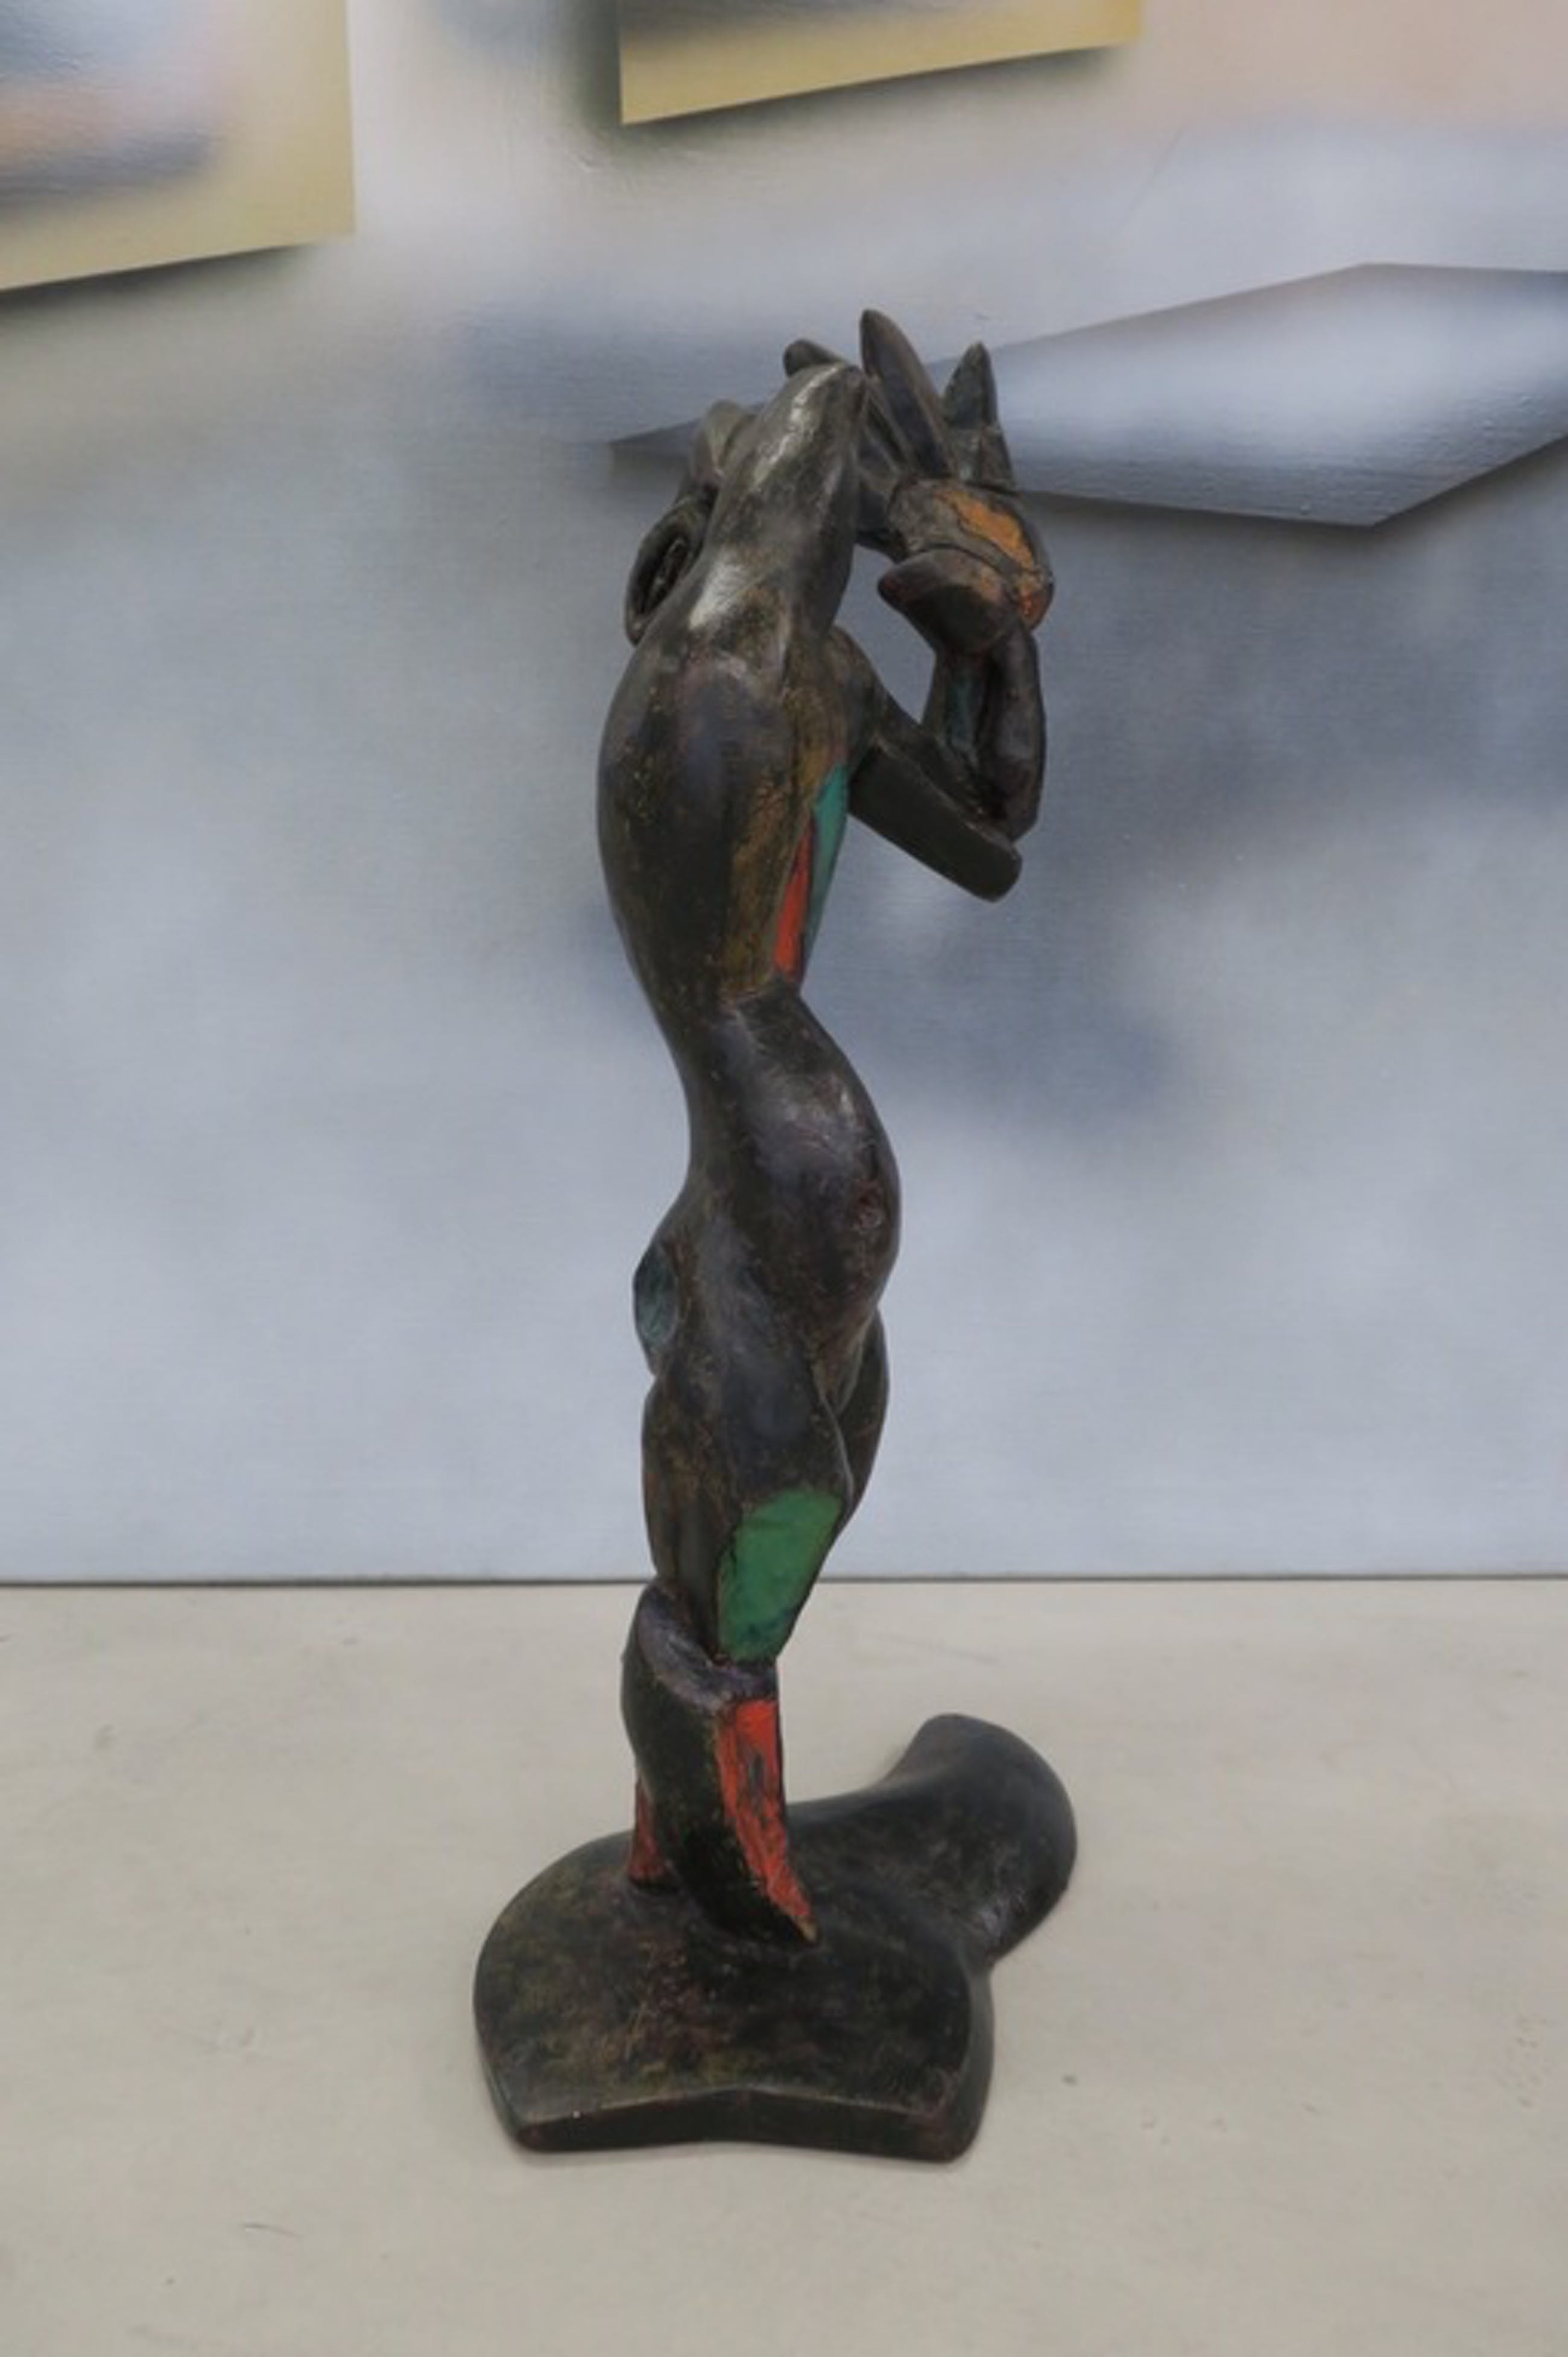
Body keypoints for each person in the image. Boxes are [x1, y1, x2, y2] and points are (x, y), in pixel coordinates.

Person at [598, 312, 1051, 1940]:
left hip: (776, 1170)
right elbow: (791, 464)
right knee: (775, 1475)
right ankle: (731, 1863)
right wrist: (950, 538)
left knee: (803, 1459)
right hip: (773, 1167)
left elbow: (989, 830)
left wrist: (991, 648)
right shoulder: (719, 668)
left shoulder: (809, 672)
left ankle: (690, 1827)